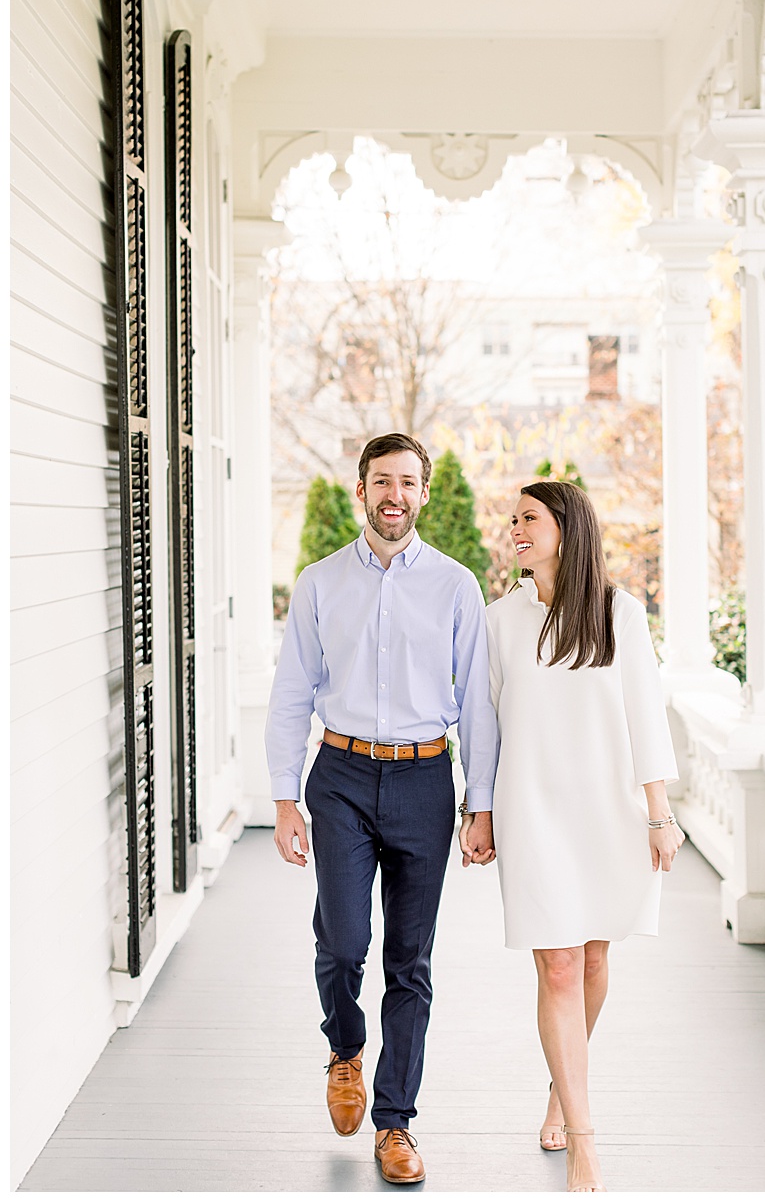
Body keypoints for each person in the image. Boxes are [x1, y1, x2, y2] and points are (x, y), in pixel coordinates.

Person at [267, 432, 498, 1186]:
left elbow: (479, 710)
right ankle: (344, 1050)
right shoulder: (320, 583)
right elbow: (291, 695)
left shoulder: (458, 587)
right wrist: (283, 796)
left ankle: (394, 1122)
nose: (393, 495)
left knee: (410, 959)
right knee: (342, 941)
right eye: (381, 481)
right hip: (337, 774)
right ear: (361, 488)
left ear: (422, 494)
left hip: (425, 780)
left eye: (407, 482)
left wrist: (481, 803)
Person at [478, 480, 682, 1193]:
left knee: (594, 959)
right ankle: (585, 1143)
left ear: (565, 526)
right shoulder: (499, 619)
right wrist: (481, 810)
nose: (515, 529)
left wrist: (659, 814)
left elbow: (645, 716)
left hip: (609, 811)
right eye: (514, 520)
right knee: (557, 966)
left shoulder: (620, 613)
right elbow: (487, 722)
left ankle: (563, 1092)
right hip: (531, 809)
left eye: (528, 518)